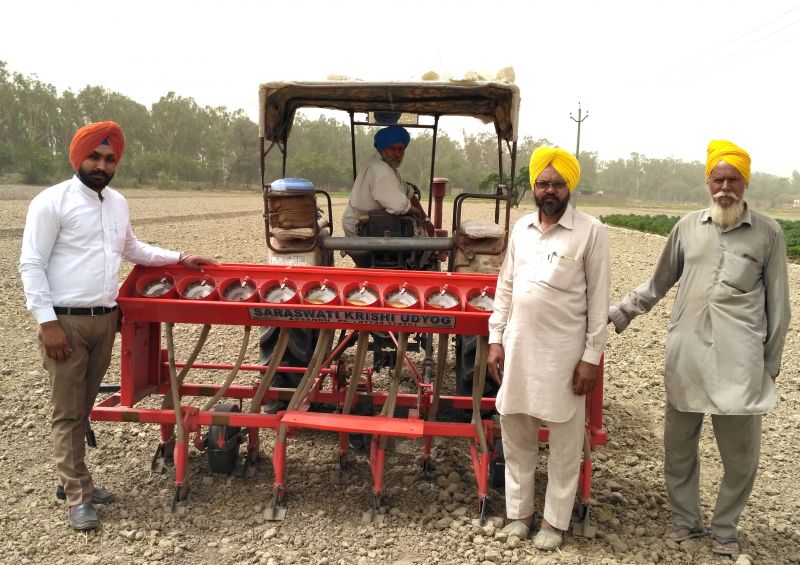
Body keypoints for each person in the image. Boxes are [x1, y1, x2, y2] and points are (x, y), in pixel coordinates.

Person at [19, 121, 217, 532]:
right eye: (94, 156)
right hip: (66, 322)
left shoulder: (116, 203)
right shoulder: (51, 202)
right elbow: (32, 263)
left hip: (105, 320)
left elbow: (132, 248)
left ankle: (70, 481)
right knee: (68, 414)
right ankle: (77, 498)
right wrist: (47, 323)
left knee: (83, 406)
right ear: (78, 157)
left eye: (109, 159)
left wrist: (181, 259)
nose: (102, 165)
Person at [608, 140, 791, 557]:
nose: (725, 187)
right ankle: (685, 520)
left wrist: (772, 361)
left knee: (741, 456)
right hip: (687, 353)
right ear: (708, 182)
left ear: (746, 183)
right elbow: (657, 283)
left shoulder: (769, 234)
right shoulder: (687, 228)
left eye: (733, 180)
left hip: (740, 361)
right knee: (679, 447)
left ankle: (725, 527)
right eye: (718, 179)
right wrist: (619, 313)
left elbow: (779, 305)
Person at [487, 147, 610, 550]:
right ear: (534, 187)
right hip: (518, 348)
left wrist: (591, 358)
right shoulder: (522, 229)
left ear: (569, 186)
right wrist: (495, 340)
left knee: (563, 440)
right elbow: (504, 289)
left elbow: (599, 303)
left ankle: (554, 523)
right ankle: (519, 515)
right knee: (516, 430)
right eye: (542, 183)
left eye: (557, 183)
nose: (550, 190)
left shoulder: (590, 232)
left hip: (563, 355)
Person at [341, 125, 433, 267]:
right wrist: (415, 212)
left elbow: (408, 192)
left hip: (374, 228)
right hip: (362, 230)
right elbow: (399, 206)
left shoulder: (388, 168)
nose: (397, 154)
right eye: (392, 149)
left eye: (401, 149)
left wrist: (425, 219)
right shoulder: (380, 170)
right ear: (381, 149)